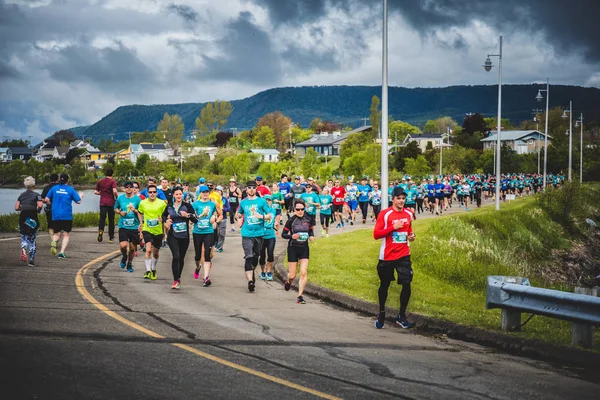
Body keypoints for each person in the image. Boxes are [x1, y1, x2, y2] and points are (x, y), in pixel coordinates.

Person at [373, 187, 416, 329]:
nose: (401, 201)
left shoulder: (409, 213)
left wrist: (411, 236)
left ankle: (401, 315)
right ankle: (381, 312)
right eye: (399, 198)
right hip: (387, 256)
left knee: (407, 282)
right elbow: (376, 234)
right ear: (393, 199)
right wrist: (393, 227)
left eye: (403, 198)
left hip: (404, 254)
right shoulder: (385, 214)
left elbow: (409, 231)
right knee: (384, 285)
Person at [236, 180, 272, 292]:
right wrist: (238, 218)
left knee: (255, 258)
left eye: (253, 187)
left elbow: (269, 215)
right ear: (246, 189)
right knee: (249, 256)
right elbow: (238, 213)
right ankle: (250, 281)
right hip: (247, 234)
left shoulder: (261, 202)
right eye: (249, 187)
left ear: (256, 189)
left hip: (259, 234)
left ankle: (251, 273)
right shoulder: (243, 202)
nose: (251, 189)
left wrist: (261, 217)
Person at [281, 199, 315, 304]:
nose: (300, 211)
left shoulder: (308, 219)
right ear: (294, 210)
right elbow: (283, 234)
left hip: (304, 248)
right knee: (292, 275)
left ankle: (300, 296)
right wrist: (292, 236)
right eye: (298, 209)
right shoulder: (291, 221)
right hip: (293, 248)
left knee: (304, 272)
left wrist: (311, 236)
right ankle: (289, 281)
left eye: (302, 209)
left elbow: (310, 230)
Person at [45, 173, 83, 259]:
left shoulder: (54, 188)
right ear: (68, 180)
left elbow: (46, 199)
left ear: (59, 180)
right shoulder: (70, 189)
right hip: (67, 215)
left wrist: (52, 203)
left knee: (57, 233)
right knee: (66, 234)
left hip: (55, 214)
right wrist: (81, 196)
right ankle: (61, 253)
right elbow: (78, 201)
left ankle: (54, 242)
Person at [164, 186, 195, 289]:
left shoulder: (187, 206)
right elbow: (163, 216)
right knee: (176, 256)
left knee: (181, 258)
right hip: (172, 235)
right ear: (173, 195)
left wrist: (188, 216)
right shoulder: (169, 206)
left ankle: (178, 277)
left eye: (180, 194)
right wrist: (166, 221)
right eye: (176, 194)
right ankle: (175, 280)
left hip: (184, 236)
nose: (178, 196)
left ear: (183, 195)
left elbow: (195, 219)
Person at [191, 185, 222, 286]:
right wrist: (202, 214)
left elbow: (218, 214)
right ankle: (197, 267)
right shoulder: (195, 204)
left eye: (207, 192)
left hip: (208, 232)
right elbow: (192, 219)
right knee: (198, 255)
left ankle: (206, 277)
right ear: (200, 193)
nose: (205, 194)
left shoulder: (212, 204)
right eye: (203, 192)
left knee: (207, 254)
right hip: (197, 232)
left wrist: (214, 219)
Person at [137, 183, 167, 280]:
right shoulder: (143, 203)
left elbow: (166, 215)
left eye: (154, 192)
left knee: (155, 252)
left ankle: (153, 269)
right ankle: (148, 271)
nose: (152, 194)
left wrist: (162, 220)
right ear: (147, 193)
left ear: (157, 193)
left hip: (158, 230)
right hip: (147, 229)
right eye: (150, 192)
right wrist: (141, 223)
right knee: (148, 249)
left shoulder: (162, 203)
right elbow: (139, 212)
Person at [114, 180, 142, 273]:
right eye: (127, 187)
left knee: (132, 248)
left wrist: (135, 211)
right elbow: (115, 208)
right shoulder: (120, 198)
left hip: (134, 226)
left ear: (134, 189)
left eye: (131, 187)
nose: (129, 189)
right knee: (123, 245)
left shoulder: (138, 200)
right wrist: (120, 212)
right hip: (123, 225)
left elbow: (141, 212)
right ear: (124, 188)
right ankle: (124, 257)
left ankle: (129, 263)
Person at [15, 176, 43, 266]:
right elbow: (40, 205)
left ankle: (23, 248)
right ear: (33, 185)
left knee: (24, 237)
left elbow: (16, 208)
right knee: (32, 239)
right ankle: (31, 261)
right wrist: (37, 210)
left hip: (23, 216)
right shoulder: (37, 195)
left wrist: (23, 207)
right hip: (32, 216)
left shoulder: (21, 195)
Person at [95, 167, 118, 243]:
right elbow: (114, 191)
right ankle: (111, 237)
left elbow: (95, 192)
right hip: (111, 203)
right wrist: (117, 196)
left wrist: (102, 193)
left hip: (102, 203)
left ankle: (100, 232)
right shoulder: (113, 181)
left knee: (102, 219)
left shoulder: (100, 181)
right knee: (111, 220)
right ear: (112, 174)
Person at [259, 195, 279, 281]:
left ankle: (269, 271)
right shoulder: (259, 211)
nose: (267, 202)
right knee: (262, 255)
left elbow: (277, 226)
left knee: (270, 254)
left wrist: (276, 225)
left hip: (271, 235)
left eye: (269, 200)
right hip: (261, 235)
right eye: (266, 200)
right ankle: (263, 271)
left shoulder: (274, 211)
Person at [41, 173, 59, 238]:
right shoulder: (60, 187)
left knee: (51, 226)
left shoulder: (46, 188)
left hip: (49, 209)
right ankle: (56, 239)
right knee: (58, 226)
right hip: (60, 208)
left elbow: (41, 199)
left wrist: (47, 201)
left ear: (50, 179)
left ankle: (53, 240)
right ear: (57, 179)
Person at [215, 185, 228, 253]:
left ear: (221, 191)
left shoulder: (224, 199)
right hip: (215, 218)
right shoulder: (213, 199)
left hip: (223, 218)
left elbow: (228, 208)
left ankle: (220, 247)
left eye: (219, 190)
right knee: (215, 233)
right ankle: (216, 243)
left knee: (221, 233)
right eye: (216, 190)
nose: (217, 192)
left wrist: (223, 209)